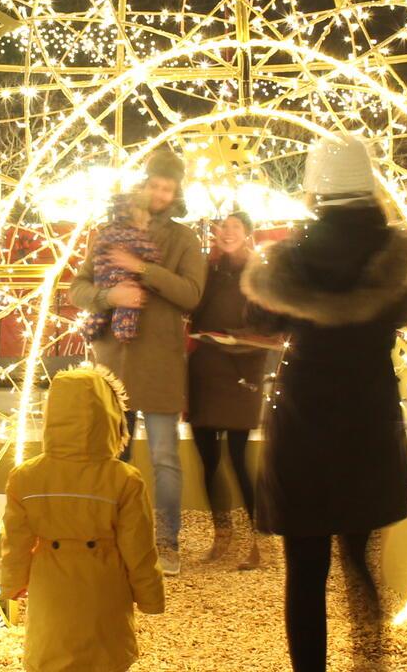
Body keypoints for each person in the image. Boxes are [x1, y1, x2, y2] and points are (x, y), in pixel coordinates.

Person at [241, 133, 407, 672]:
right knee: (359, 548)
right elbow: (403, 312)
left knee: (306, 564)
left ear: (314, 190)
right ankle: (371, 657)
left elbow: (261, 321)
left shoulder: (289, 255)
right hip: (368, 408)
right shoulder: (396, 252)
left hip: (305, 415)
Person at [67, 148, 207, 574]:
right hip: (113, 363)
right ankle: (113, 537)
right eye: (155, 185)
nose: (161, 194)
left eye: (169, 188)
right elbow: (78, 286)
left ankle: (167, 543)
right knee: (114, 456)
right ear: (143, 187)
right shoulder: (109, 233)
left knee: (164, 456)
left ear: (177, 193)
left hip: (160, 361)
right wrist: (110, 296)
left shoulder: (183, 239)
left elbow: (191, 294)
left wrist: (143, 269)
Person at [0, 366, 165, 672]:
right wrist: (150, 596)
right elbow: (139, 548)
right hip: (103, 585)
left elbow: (16, 542)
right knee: (104, 658)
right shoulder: (123, 479)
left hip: (51, 586)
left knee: (52, 655)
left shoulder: (27, 476)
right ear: (111, 418)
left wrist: (12, 583)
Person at [186, 210, 274, 571]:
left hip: (240, 374)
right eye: (224, 227)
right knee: (208, 460)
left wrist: (236, 340)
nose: (227, 232)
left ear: (249, 234)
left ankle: (259, 541)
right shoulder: (208, 269)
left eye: (236, 227)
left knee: (239, 461)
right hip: (205, 372)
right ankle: (221, 535)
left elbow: (269, 328)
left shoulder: (258, 273)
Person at [85, 192, 158, 342]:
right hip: (124, 280)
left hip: (102, 279)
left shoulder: (106, 233)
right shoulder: (137, 236)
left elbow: (98, 250)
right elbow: (149, 253)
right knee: (128, 304)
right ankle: (124, 330)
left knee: (100, 309)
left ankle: (90, 327)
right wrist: (153, 258)